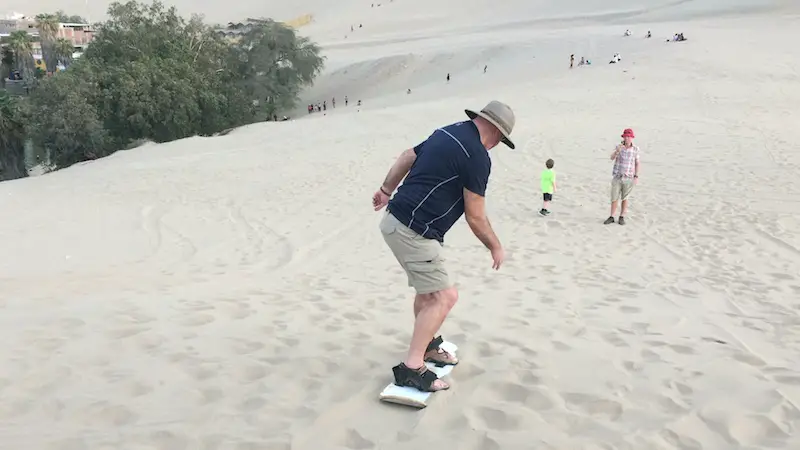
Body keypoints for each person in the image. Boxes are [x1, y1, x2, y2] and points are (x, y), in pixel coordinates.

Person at [372, 100, 516, 392]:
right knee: (444, 297)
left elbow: (405, 157)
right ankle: (412, 368)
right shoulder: (477, 156)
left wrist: (386, 190)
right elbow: (475, 215)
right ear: (498, 135)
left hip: (397, 222)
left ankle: (427, 344)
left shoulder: (447, 132)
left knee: (429, 294)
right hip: (414, 231)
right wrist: (495, 246)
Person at [604, 128, 640, 225]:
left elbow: (637, 163)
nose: (627, 138)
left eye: (629, 136)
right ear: (623, 137)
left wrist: (636, 176)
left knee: (625, 198)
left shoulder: (635, 149)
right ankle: (611, 216)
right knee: (614, 197)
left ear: (632, 138)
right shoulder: (618, 147)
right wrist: (617, 151)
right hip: (617, 176)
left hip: (628, 177)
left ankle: (622, 216)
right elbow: (611, 158)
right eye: (625, 136)